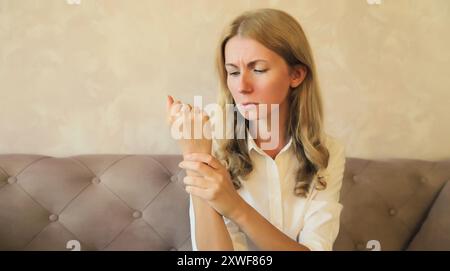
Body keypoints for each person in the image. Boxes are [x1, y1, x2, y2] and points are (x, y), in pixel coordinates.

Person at [166, 8, 345, 251]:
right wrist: (197, 158)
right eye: (233, 72)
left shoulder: (327, 151)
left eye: (258, 69)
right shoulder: (213, 143)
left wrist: (235, 207)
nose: (242, 86)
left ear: (296, 74)